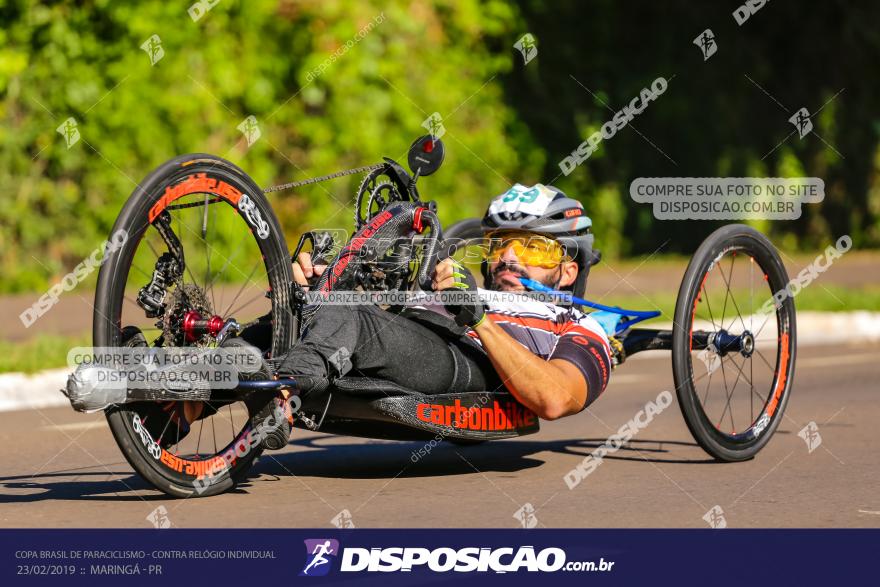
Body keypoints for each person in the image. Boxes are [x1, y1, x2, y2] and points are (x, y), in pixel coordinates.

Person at [263, 183, 612, 449]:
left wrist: (478, 320)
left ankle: (281, 393)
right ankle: (209, 387)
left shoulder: (578, 325)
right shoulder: (459, 284)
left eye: (531, 247)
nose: (508, 257)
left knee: (353, 318)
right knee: (278, 325)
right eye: (499, 244)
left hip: (465, 361)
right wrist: (319, 287)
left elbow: (556, 399)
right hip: (397, 335)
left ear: (567, 271)